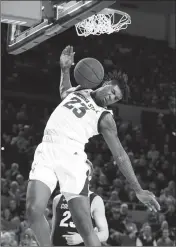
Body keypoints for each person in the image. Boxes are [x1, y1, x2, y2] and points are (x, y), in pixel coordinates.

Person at [26, 45, 160, 247]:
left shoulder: (105, 118)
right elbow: (64, 93)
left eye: (116, 98)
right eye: (112, 91)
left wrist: (138, 189)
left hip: (72, 158)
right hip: (46, 150)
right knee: (33, 211)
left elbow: (121, 156)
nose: (111, 97)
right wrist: (64, 70)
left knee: (84, 227)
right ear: (105, 83)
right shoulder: (82, 89)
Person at [51, 160, 109, 246]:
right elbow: (53, 230)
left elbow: (104, 234)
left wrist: (81, 238)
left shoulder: (95, 200)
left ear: (89, 177)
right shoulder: (58, 199)